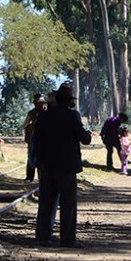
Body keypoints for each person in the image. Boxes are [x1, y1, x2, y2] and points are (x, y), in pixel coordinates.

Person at [33, 82, 92, 247]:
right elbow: (84, 139)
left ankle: (43, 236)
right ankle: (67, 239)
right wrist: (88, 134)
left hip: (47, 166)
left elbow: (37, 141)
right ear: (69, 101)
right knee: (68, 204)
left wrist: (41, 160)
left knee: (46, 203)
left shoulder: (44, 116)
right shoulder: (73, 116)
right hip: (67, 167)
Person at [22, 94, 46, 182]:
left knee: (42, 158)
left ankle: (42, 177)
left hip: (44, 139)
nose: (39, 105)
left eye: (40, 103)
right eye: (37, 103)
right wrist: (32, 124)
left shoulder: (47, 113)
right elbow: (25, 124)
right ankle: (29, 177)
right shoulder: (31, 113)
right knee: (31, 156)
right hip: (33, 138)